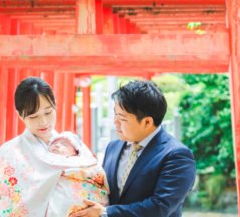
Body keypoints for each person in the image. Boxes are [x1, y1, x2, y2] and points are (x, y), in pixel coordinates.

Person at [0, 77, 110, 217]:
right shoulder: (10, 152)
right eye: (33, 116)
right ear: (20, 115)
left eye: (48, 112)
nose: (43, 122)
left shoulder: (72, 147)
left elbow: (96, 182)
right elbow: (0, 205)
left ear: (55, 105)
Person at [71, 79, 196, 217]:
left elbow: (161, 206)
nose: (115, 122)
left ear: (147, 122)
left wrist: (106, 213)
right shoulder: (113, 147)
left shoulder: (177, 155)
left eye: (122, 118)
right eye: (115, 114)